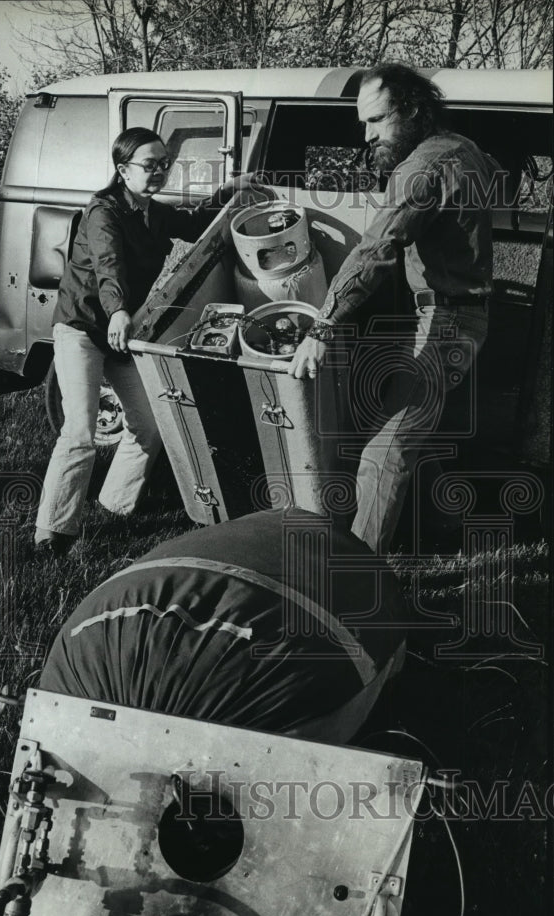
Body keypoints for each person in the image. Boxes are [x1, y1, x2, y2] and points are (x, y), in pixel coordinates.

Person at [289, 63, 499, 554]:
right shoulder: (463, 149)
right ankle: (448, 523)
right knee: (408, 423)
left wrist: (322, 326)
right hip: (458, 314)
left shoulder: (423, 168)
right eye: (364, 122)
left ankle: (357, 576)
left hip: (444, 321)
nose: (367, 134)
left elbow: (376, 248)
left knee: (384, 451)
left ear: (413, 110)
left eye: (377, 120)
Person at [35, 127, 255, 554]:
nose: (159, 172)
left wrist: (230, 189)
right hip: (83, 328)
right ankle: (52, 532)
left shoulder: (155, 212)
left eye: (164, 165)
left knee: (149, 424)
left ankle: (114, 506)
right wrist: (118, 309)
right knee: (79, 431)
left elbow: (196, 224)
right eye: (150, 165)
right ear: (123, 170)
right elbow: (109, 264)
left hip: (121, 333)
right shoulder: (103, 211)